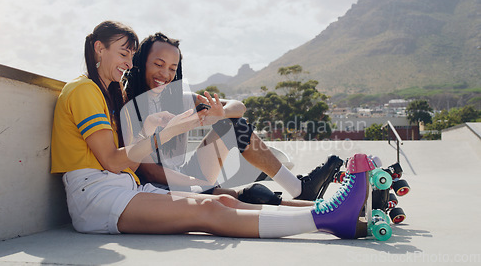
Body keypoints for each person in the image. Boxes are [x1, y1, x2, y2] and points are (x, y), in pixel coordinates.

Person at [51, 20, 370, 239]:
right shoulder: (93, 93)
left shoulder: (110, 95)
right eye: (126, 55)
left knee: (224, 199)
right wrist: (169, 136)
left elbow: (125, 163)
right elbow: (118, 162)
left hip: (124, 186)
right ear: (98, 49)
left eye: (172, 68)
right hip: (111, 190)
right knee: (218, 203)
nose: (129, 63)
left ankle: (331, 212)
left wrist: (202, 117)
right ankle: (325, 217)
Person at [122, 32, 344, 205]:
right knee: (247, 197)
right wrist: (195, 183)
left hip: (186, 175)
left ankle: (298, 189)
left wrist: (222, 113)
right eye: (158, 64)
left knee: (235, 126)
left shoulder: (178, 99)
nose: (165, 74)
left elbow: (239, 106)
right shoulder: (127, 105)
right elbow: (147, 169)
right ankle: (308, 206)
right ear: (142, 62)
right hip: (157, 188)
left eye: (172, 68)